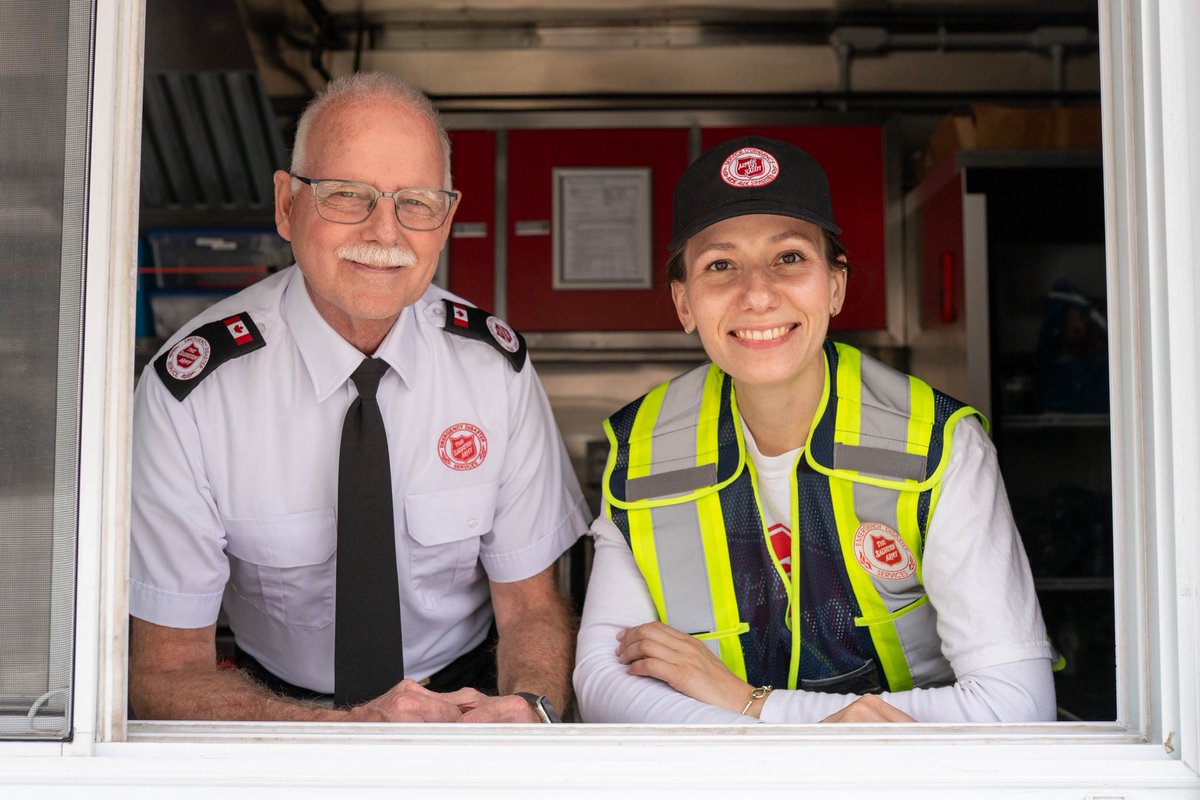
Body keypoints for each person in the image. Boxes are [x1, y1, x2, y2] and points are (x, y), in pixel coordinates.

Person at [129, 72, 587, 724]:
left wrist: (529, 706)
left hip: (466, 701)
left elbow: (532, 609)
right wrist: (346, 733)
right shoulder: (192, 394)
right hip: (275, 713)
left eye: (417, 202)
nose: (385, 232)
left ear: (447, 219)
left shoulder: (494, 371)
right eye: (348, 194)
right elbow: (164, 672)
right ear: (287, 206)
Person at [574, 136, 1056, 724]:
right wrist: (807, 737)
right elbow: (604, 685)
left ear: (835, 285)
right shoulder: (642, 449)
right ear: (683, 302)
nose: (757, 293)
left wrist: (749, 704)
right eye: (720, 265)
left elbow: (1017, 705)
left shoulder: (937, 444)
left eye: (790, 258)